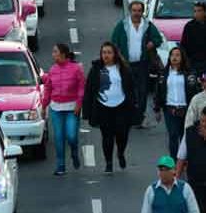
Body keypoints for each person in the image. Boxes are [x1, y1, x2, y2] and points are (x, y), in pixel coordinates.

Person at [83, 42, 137, 173]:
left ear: (114, 54)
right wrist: (87, 110)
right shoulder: (96, 69)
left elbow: (131, 88)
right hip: (103, 107)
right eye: (104, 53)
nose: (106, 55)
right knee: (107, 136)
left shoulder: (123, 69)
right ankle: (108, 162)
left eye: (109, 52)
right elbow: (89, 90)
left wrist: (134, 104)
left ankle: (120, 153)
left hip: (121, 106)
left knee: (122, 134)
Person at [111, 0, 164, 128]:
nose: (136, 13)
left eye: (139, 10)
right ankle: (127, 116)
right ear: (130, 11)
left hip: (142, 64)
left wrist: (152, 43)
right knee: (126, 90)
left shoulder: (148, 25)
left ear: (143, 12)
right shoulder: (122, 25)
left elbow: (158, 39)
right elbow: (113, 42)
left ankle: (139, 117)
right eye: (134, 10)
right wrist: (117, 58)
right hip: (126, 64)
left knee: (142, 91)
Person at [41, 43, 86, 176]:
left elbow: (81, 87)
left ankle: (74, 151)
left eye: (55, 52)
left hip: (72, 108)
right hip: (56, 108)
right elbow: (48, 89)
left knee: (71, 136)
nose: (53, 54)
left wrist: (79, 104)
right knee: (59, 138)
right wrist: (44, 106)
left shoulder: (76, 69)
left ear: (63, 54)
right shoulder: (53, 70)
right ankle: (61, 166)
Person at [154, 47, 200, 159]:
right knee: (173, 135)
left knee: (184, 136)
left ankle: (185, 160)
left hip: (186, 109)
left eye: (177, 55)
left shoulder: (190, 73)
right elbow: (159, 92)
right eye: (172, 55)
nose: (174, 57)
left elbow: (195, 92)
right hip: (170, 109)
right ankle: (174, 161)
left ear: (182, 57)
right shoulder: (163, 74)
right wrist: (157, 109)